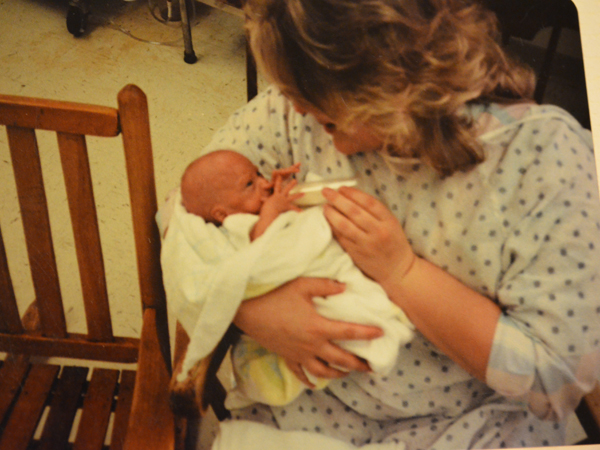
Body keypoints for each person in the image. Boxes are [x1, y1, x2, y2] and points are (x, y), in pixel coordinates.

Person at [161, 0, 600, 448]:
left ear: (390, 83)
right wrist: (250, 307)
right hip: (308, 408)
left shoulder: (543, 161)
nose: (302, 114)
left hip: (468, 423)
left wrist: (402, 274)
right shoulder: (293, 111)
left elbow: (555, 380)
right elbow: (184, 213)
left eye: (324, 114)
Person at [166, 150, 414, 408]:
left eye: (258, 174)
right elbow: (259, 253)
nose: (264, 183)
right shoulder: (235, 225)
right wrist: (271, 211)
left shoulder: (252, 207)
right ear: (221, 214)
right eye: (249, 184)